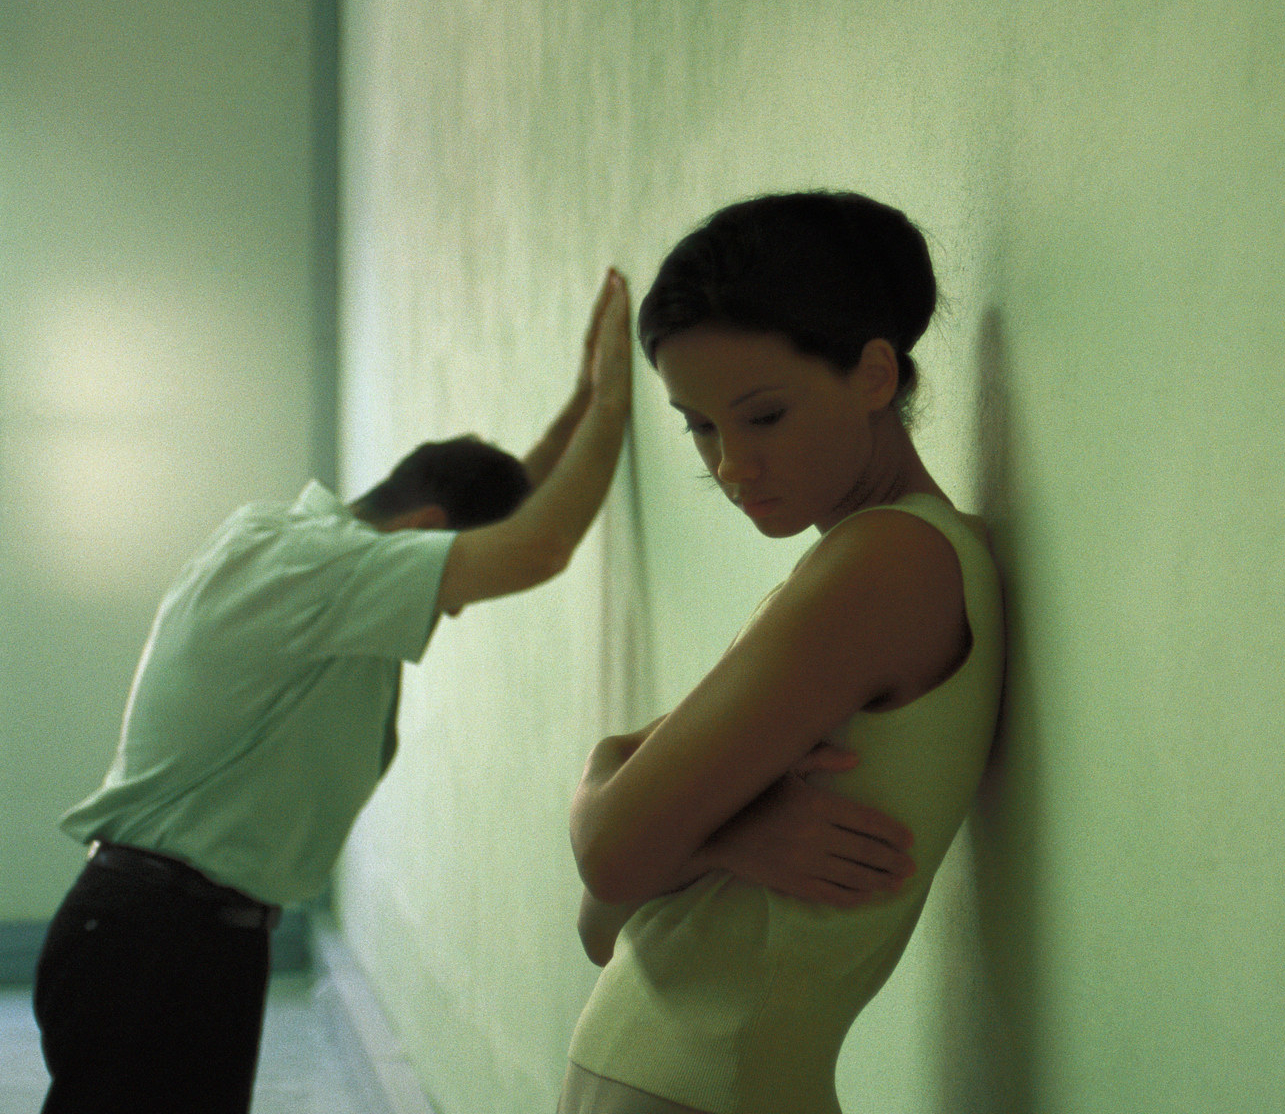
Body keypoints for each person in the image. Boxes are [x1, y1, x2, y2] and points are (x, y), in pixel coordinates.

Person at [34, 271, 644, 1114]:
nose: (455, 606)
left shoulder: (323, 568)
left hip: (190, 939)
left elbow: (507, 523)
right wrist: (617, 399)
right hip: (150, 943)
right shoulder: (305, 566)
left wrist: (578, 402)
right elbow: (535, 549)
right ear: (424, 533)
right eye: (454, 582)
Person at [560, 191, 1006, 1114]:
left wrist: (674, 831)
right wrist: (727, 832)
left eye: (763, 417)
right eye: (700, 424)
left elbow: (608, 859)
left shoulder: (889, 566)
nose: (731, 465)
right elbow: (602, 914)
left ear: (875, 374)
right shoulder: (858, 564)